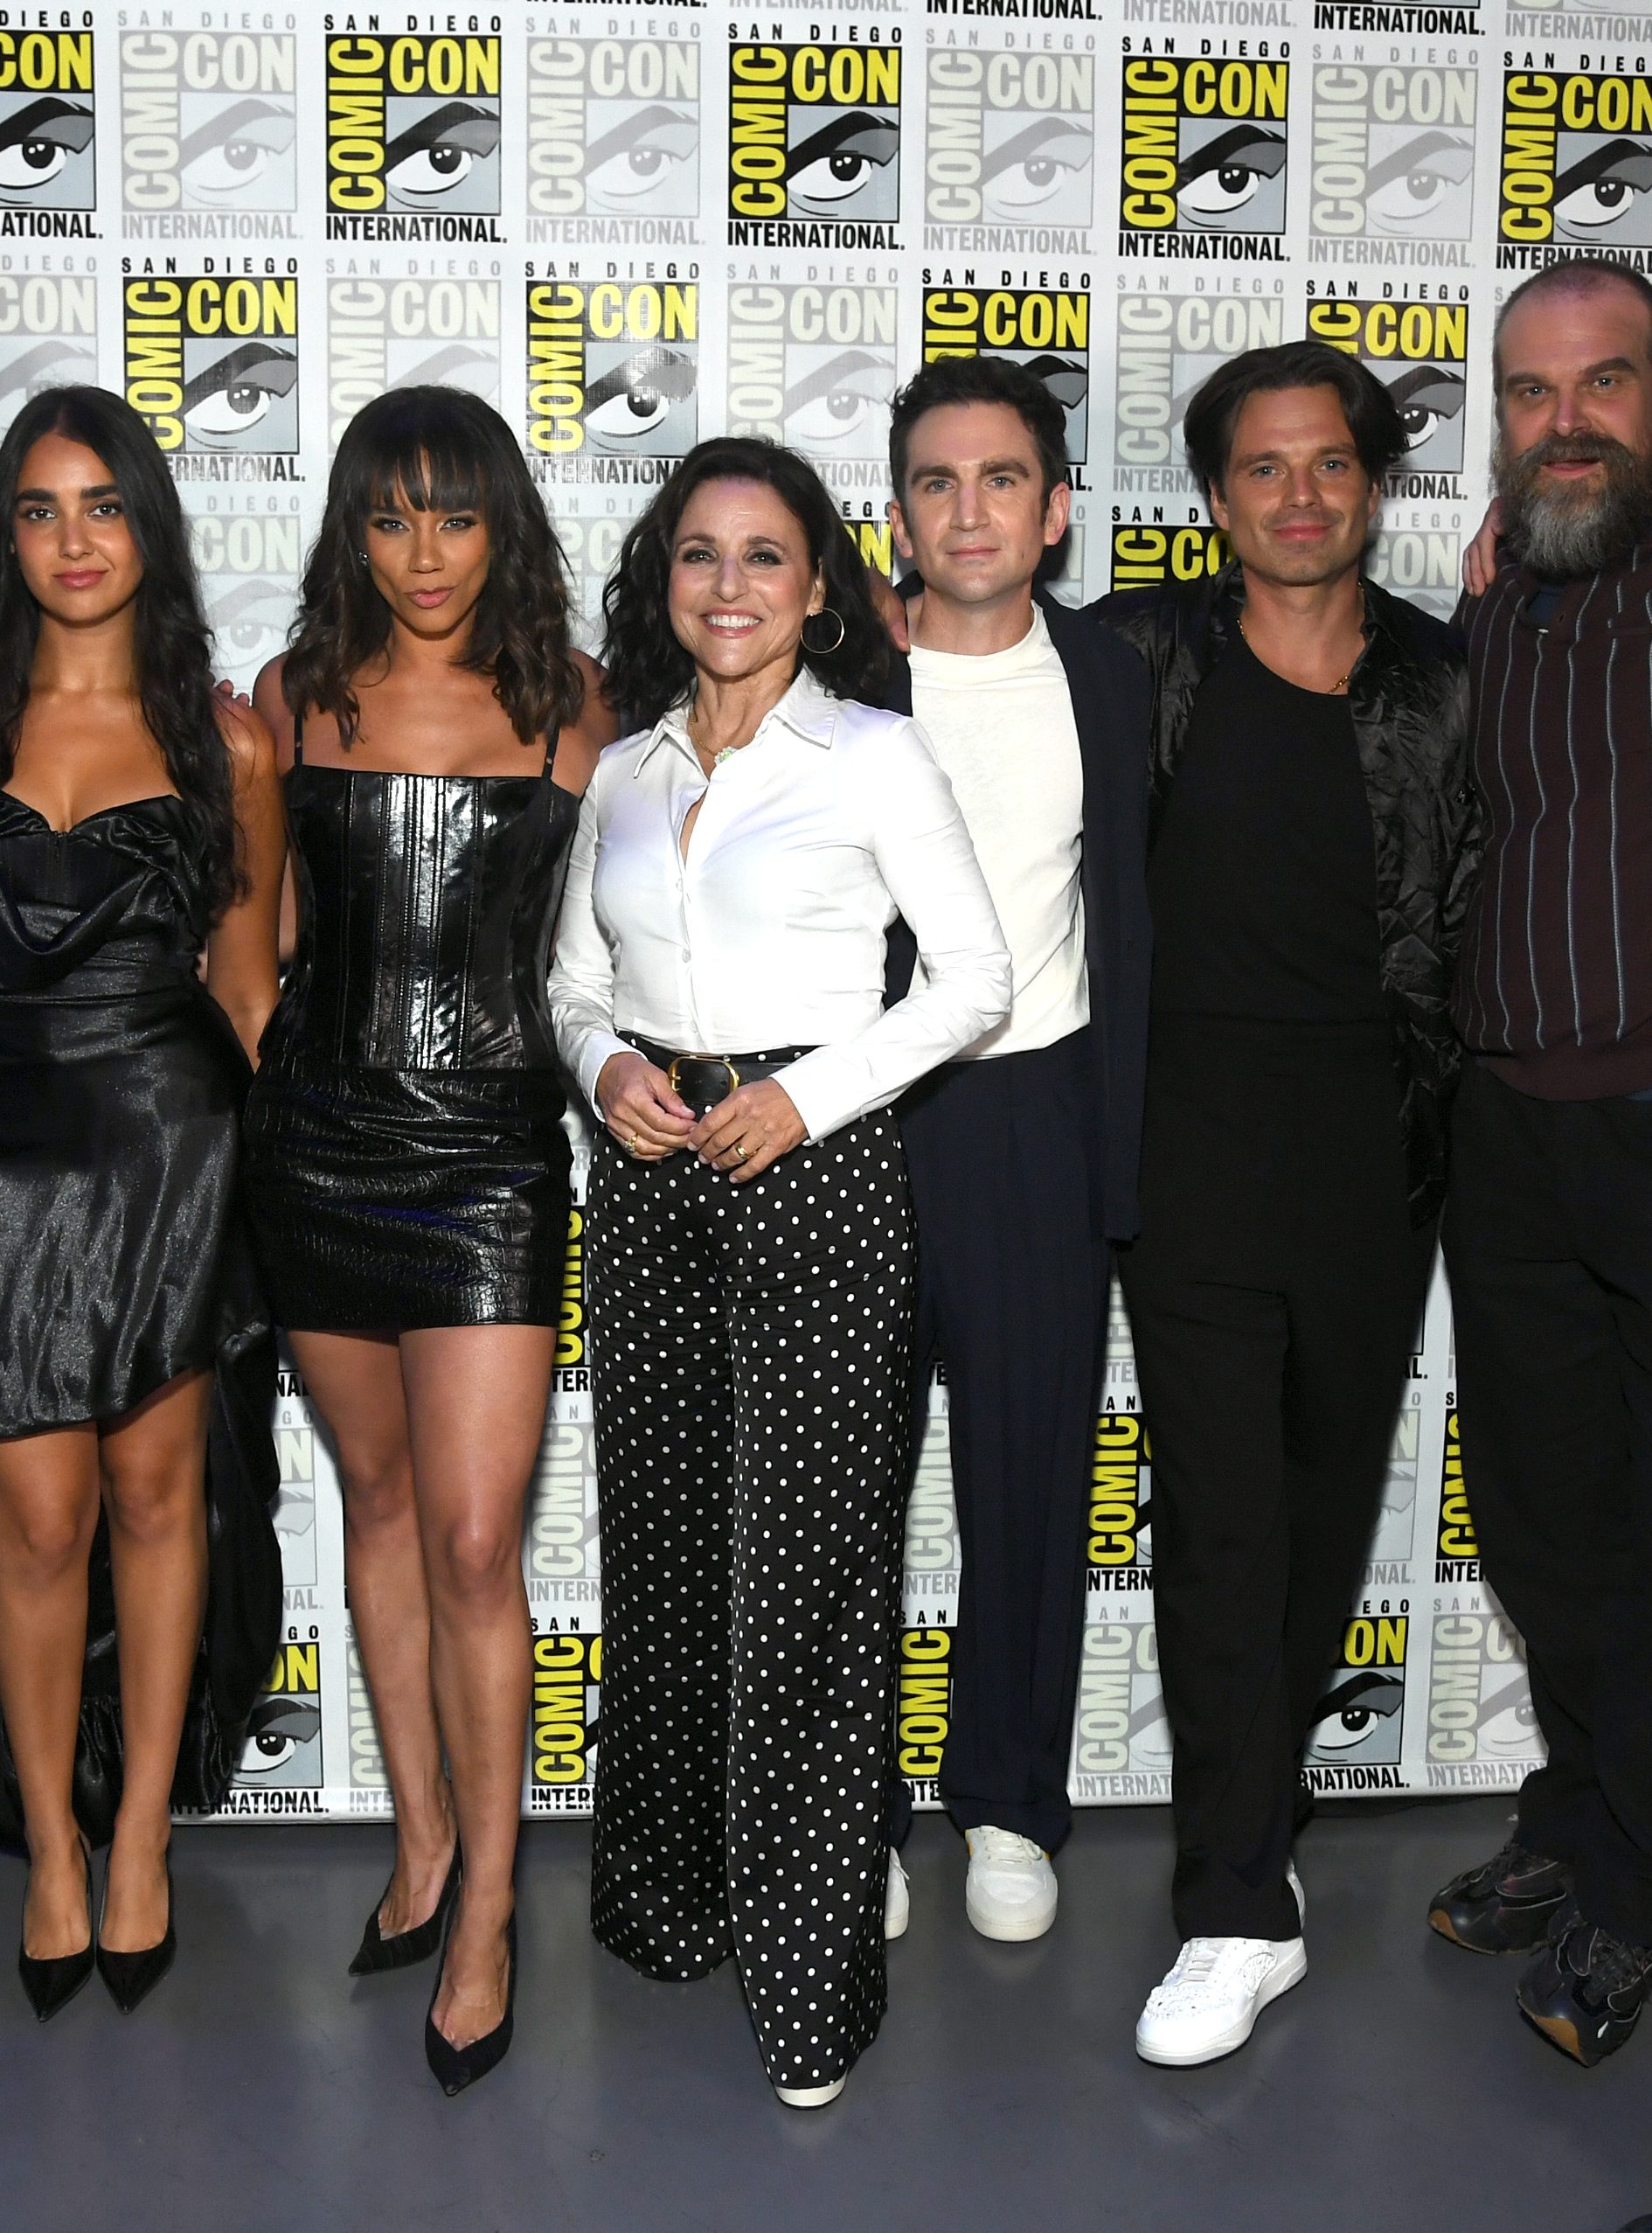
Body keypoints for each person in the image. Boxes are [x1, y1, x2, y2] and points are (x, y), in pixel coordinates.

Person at [550, 435, 1009, 2107]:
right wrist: (603, 1067)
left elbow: (976, 981)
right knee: (664, 1555)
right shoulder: (624, 767)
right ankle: (672, 1905)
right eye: (696, 554)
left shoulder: (875, 753)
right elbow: (570, 977)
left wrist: (801, 1098)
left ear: (821, 586)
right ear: (662, 580)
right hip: (652, 1187)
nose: (727, 586)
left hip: (814, 1183)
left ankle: (811, 1984)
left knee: (807, 1588)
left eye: (763, 556)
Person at [1105, 341, 1476, 2064]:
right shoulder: (1137, 652)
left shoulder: (1445, 682)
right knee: (1224, 1519)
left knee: (1321, 1518)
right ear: (1216, 497)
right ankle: (1234, 1901)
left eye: (1331, 463)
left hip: (1375, 1162)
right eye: (1265, 467)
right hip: (1184, 1158)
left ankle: (1261, 1834)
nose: (1302, 493)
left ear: (1377, 485)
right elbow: (944, 677)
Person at [245, 386, 613, 2095]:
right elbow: (260, 945)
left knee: (475, 1544)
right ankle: (415, 1842)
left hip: (486, 1163)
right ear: (352, 532)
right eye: (388, 518)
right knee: (379, 1507)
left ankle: (486, 1907)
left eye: (453, 515)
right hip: (317, 1151)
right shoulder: (292, 698)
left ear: (502, 526)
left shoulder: (573, 714)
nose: (423, 553)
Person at [0, 385, 287, 2020]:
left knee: (158, 1499)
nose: (72, 541)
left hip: (172, 1145)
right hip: (6, 1155)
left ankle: (138, 1848)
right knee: (37, 1521)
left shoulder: (224, 742)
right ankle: (48, 1839)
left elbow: (249, 999)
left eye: (102, 504)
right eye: (37, 510)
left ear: (152, 527)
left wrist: (276, 1210)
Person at [1425, 258, 1652, 2068]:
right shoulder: (1495, 607)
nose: (1566, 418)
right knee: (1546, 1518)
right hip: (1510, 1129)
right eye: (1531, 390)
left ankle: (1645, 1884)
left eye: (1604, 383)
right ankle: (1584, 1818)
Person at [876, 357, 1153, 1941]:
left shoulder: (1119, 672)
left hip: (1037, 1111)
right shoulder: (825, 669)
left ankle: (1005, 1805)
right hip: (852, 1116)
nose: (967, 509)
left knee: (1030, 1483)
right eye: (934, 480)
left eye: (1000, 480)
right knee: (840, 1490)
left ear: (1053, 512)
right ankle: (848, 1809)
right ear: (897, 513)